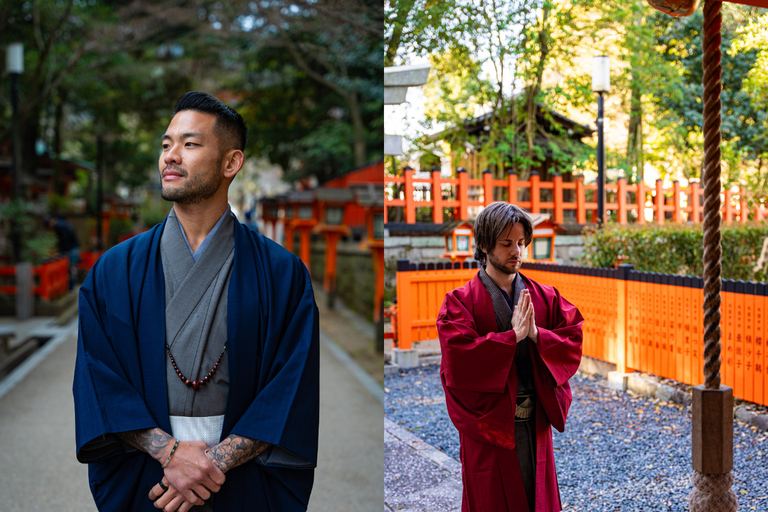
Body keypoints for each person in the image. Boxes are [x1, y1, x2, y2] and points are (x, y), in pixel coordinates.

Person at [73, 91, 319, 512]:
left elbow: (289, 389)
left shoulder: (283, 273)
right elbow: (100, 378)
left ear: (231, 163)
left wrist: (208, 464)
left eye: (189, 144)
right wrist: (170, 454)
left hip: (244, 476)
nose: (171, 156)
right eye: (166, 144)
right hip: (147, 471)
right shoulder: (113, 270)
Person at [436, 202, 583, 512]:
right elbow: (458, 359)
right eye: (506, 244)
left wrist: (537, 335)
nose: (517, 251)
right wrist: (510, 338)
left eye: (520, 243)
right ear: (485, 245)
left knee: (537, 498)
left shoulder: (546, 297)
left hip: (535, 422)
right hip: (489, 424)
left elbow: (573, 337)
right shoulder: (460, 302)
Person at [45, 214, 80, 289]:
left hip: (71, 248)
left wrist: (61, 252)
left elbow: (64, 240)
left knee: (71, 267)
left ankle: (71, 285)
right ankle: (71, 285)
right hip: (73, 247)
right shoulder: (62, 223)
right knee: (72, 267)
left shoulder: (60, 226)